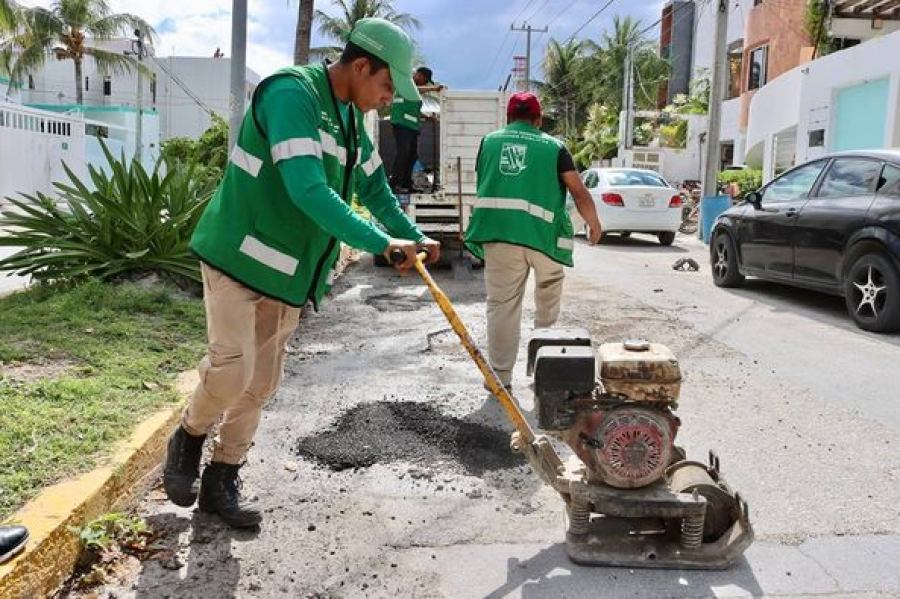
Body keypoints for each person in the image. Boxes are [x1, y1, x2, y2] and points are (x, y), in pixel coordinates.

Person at [163, 18, 440, 529]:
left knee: (261, 383)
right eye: (385, 86)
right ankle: (189, 435)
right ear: (361, 66)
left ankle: (222, 478)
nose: (387, 100)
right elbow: (307, 190)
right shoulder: (292, 96)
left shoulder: (353, 121)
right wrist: (381, 243)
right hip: (237, 255)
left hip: (288, 274)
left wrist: (413, 236)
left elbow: (377, 191)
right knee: (231, 374)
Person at [464, 92, 602, 389]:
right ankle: (543, 369)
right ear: (539, 120)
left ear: (508, 118)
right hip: (543, 240)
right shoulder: (555, 147)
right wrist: (593, 223)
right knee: (547, 304)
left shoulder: (489, 142)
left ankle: (500, 378)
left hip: (499, 236)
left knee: (502, 306)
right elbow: (578, 191)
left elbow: (488, 181)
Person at [389, 66, 443, 193]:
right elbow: (415, 90)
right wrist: (434, 89)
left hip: (411, 126)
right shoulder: (407, 82)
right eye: (425, 79)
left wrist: (426, 117)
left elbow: (412, 108)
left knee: (412, 155)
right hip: (402, 123)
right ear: (419, 74)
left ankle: (407, 184)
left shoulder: (414, 93)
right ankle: (395, 184)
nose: (425, 83)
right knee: (403, 153)